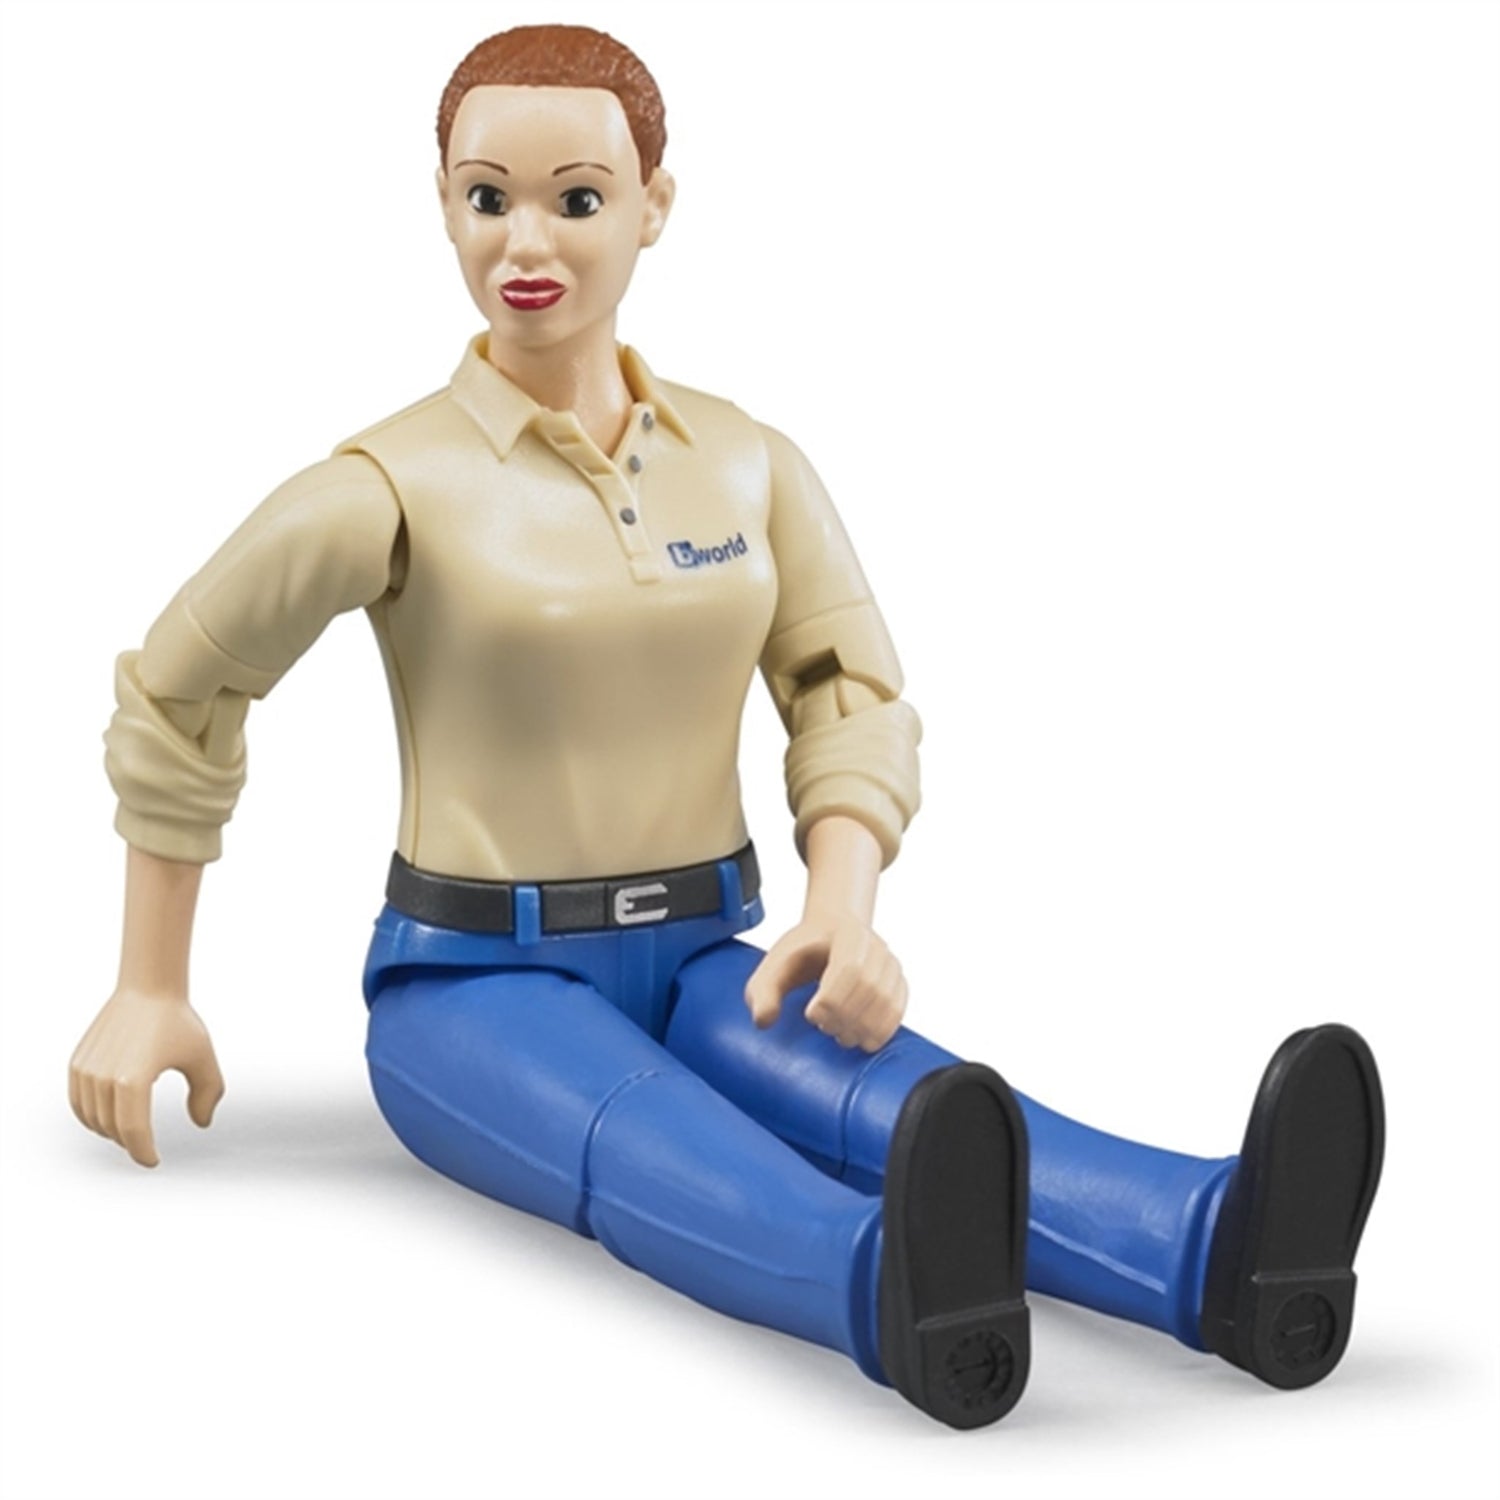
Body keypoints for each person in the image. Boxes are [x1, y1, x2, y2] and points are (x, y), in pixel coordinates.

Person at [69, 24, 1384, 1429]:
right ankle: (891, 1289)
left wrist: (841, 908)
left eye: (578, 198)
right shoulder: (388, 484)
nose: (527, 240)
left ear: (653, 206)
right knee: (652, 1139)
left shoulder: (746, 462)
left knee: (893, 1100)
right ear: (442, 204)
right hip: (473, 984)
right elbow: (181, 689)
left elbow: (846, 691)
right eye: (486, 196)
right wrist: (151, 983)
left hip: (708, 949)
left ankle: (1216, 1244)